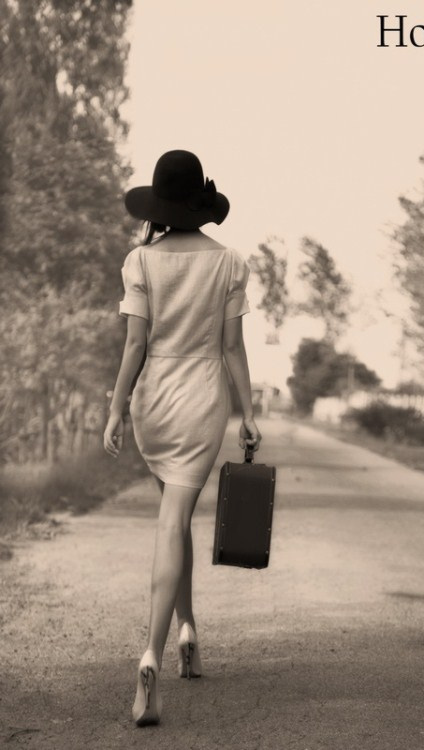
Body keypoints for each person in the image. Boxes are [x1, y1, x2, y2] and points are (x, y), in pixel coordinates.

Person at [103, 150, 262, 727]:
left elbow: (135, 345)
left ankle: (186, 630)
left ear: (160, 204)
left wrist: (117, 408)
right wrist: (247, 412)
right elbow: (232, 347)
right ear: (200, 202)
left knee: (174, 520)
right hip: (201, 403)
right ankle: (153, 651)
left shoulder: (140, 261)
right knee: (177, 520)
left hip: (153, 402)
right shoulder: (229, 262)